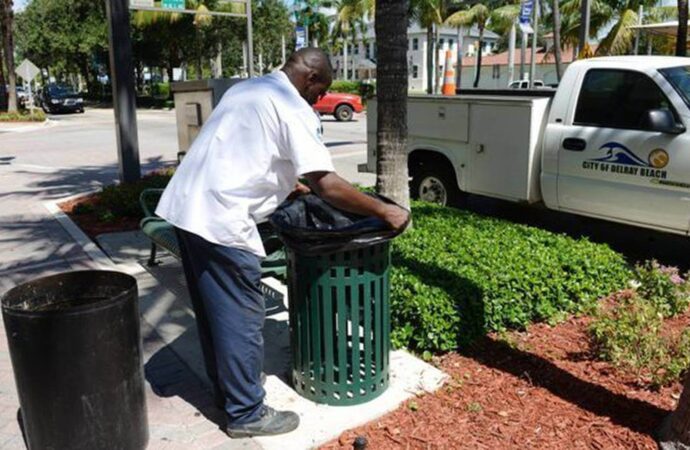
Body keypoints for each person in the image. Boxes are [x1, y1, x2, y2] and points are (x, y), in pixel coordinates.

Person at [155, 48, 408, 438]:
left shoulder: (249, 89)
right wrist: (386, 212)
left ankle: (228, 396)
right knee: (241, 318)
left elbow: (246, 152)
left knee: (214, 314)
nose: (319, 99)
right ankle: (246, 413)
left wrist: (286, 184)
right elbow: (328, 184)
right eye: (320, 90)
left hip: (187, 210)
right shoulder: (291, 105)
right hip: (222, 220)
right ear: (310, 78)